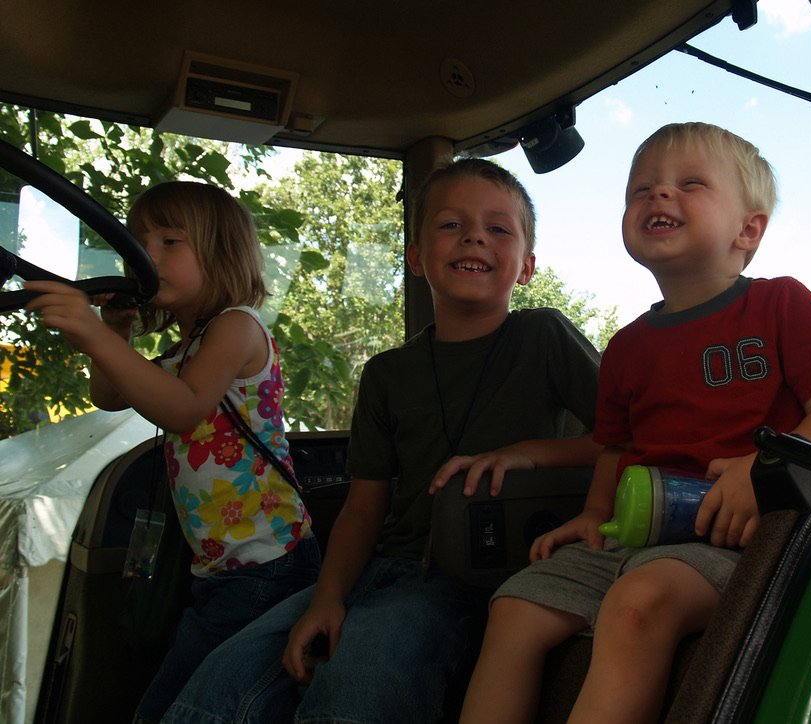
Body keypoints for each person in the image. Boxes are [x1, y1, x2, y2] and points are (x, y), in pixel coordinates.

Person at [160, 157, 602, 723]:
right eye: (450, 224)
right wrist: (327, 598)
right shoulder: (389, 373)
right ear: (416, 258)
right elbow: (364, 507)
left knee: (356, 685)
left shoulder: (543, 336)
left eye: (498, 228)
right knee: (217, 687)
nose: (474, 236)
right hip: (384, 567)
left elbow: (631, 436)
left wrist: (530, 456)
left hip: (474, 574)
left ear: (527, 266)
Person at [459, 122, 811, 724]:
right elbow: (614, 448)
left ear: (748, 229)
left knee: (638, 603)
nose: (657, 196)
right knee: (514, 608)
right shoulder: (627, 347)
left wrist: (765, 466)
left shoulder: (780, 305)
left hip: (739, 536)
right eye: (640, 189)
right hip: (636, 528)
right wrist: (595, 515)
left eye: (690, 184)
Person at [23, 181, 322, 723]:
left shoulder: (236, 327)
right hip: (221, 567)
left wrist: (94, 335)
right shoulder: (185, 348)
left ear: (220, 253)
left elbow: (183, 408)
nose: (144, 256)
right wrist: (116, 327)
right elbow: (111, 395)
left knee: (185, 711)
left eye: (169, 242)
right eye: (137, 242)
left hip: (266, 564)